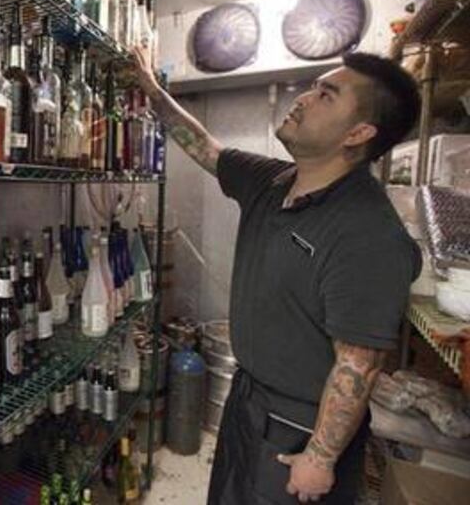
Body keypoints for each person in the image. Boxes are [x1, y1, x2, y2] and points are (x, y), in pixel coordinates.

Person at [131, 45, 422, 504]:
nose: (304, 98)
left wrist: (321, 458)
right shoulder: (274, 181)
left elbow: (359, 364)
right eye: (313, 86)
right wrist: (154, 93)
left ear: (359, 133)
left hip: (300, 428)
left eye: (327, 95)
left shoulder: (367, 232)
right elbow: (207, 148)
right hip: (248, 401)